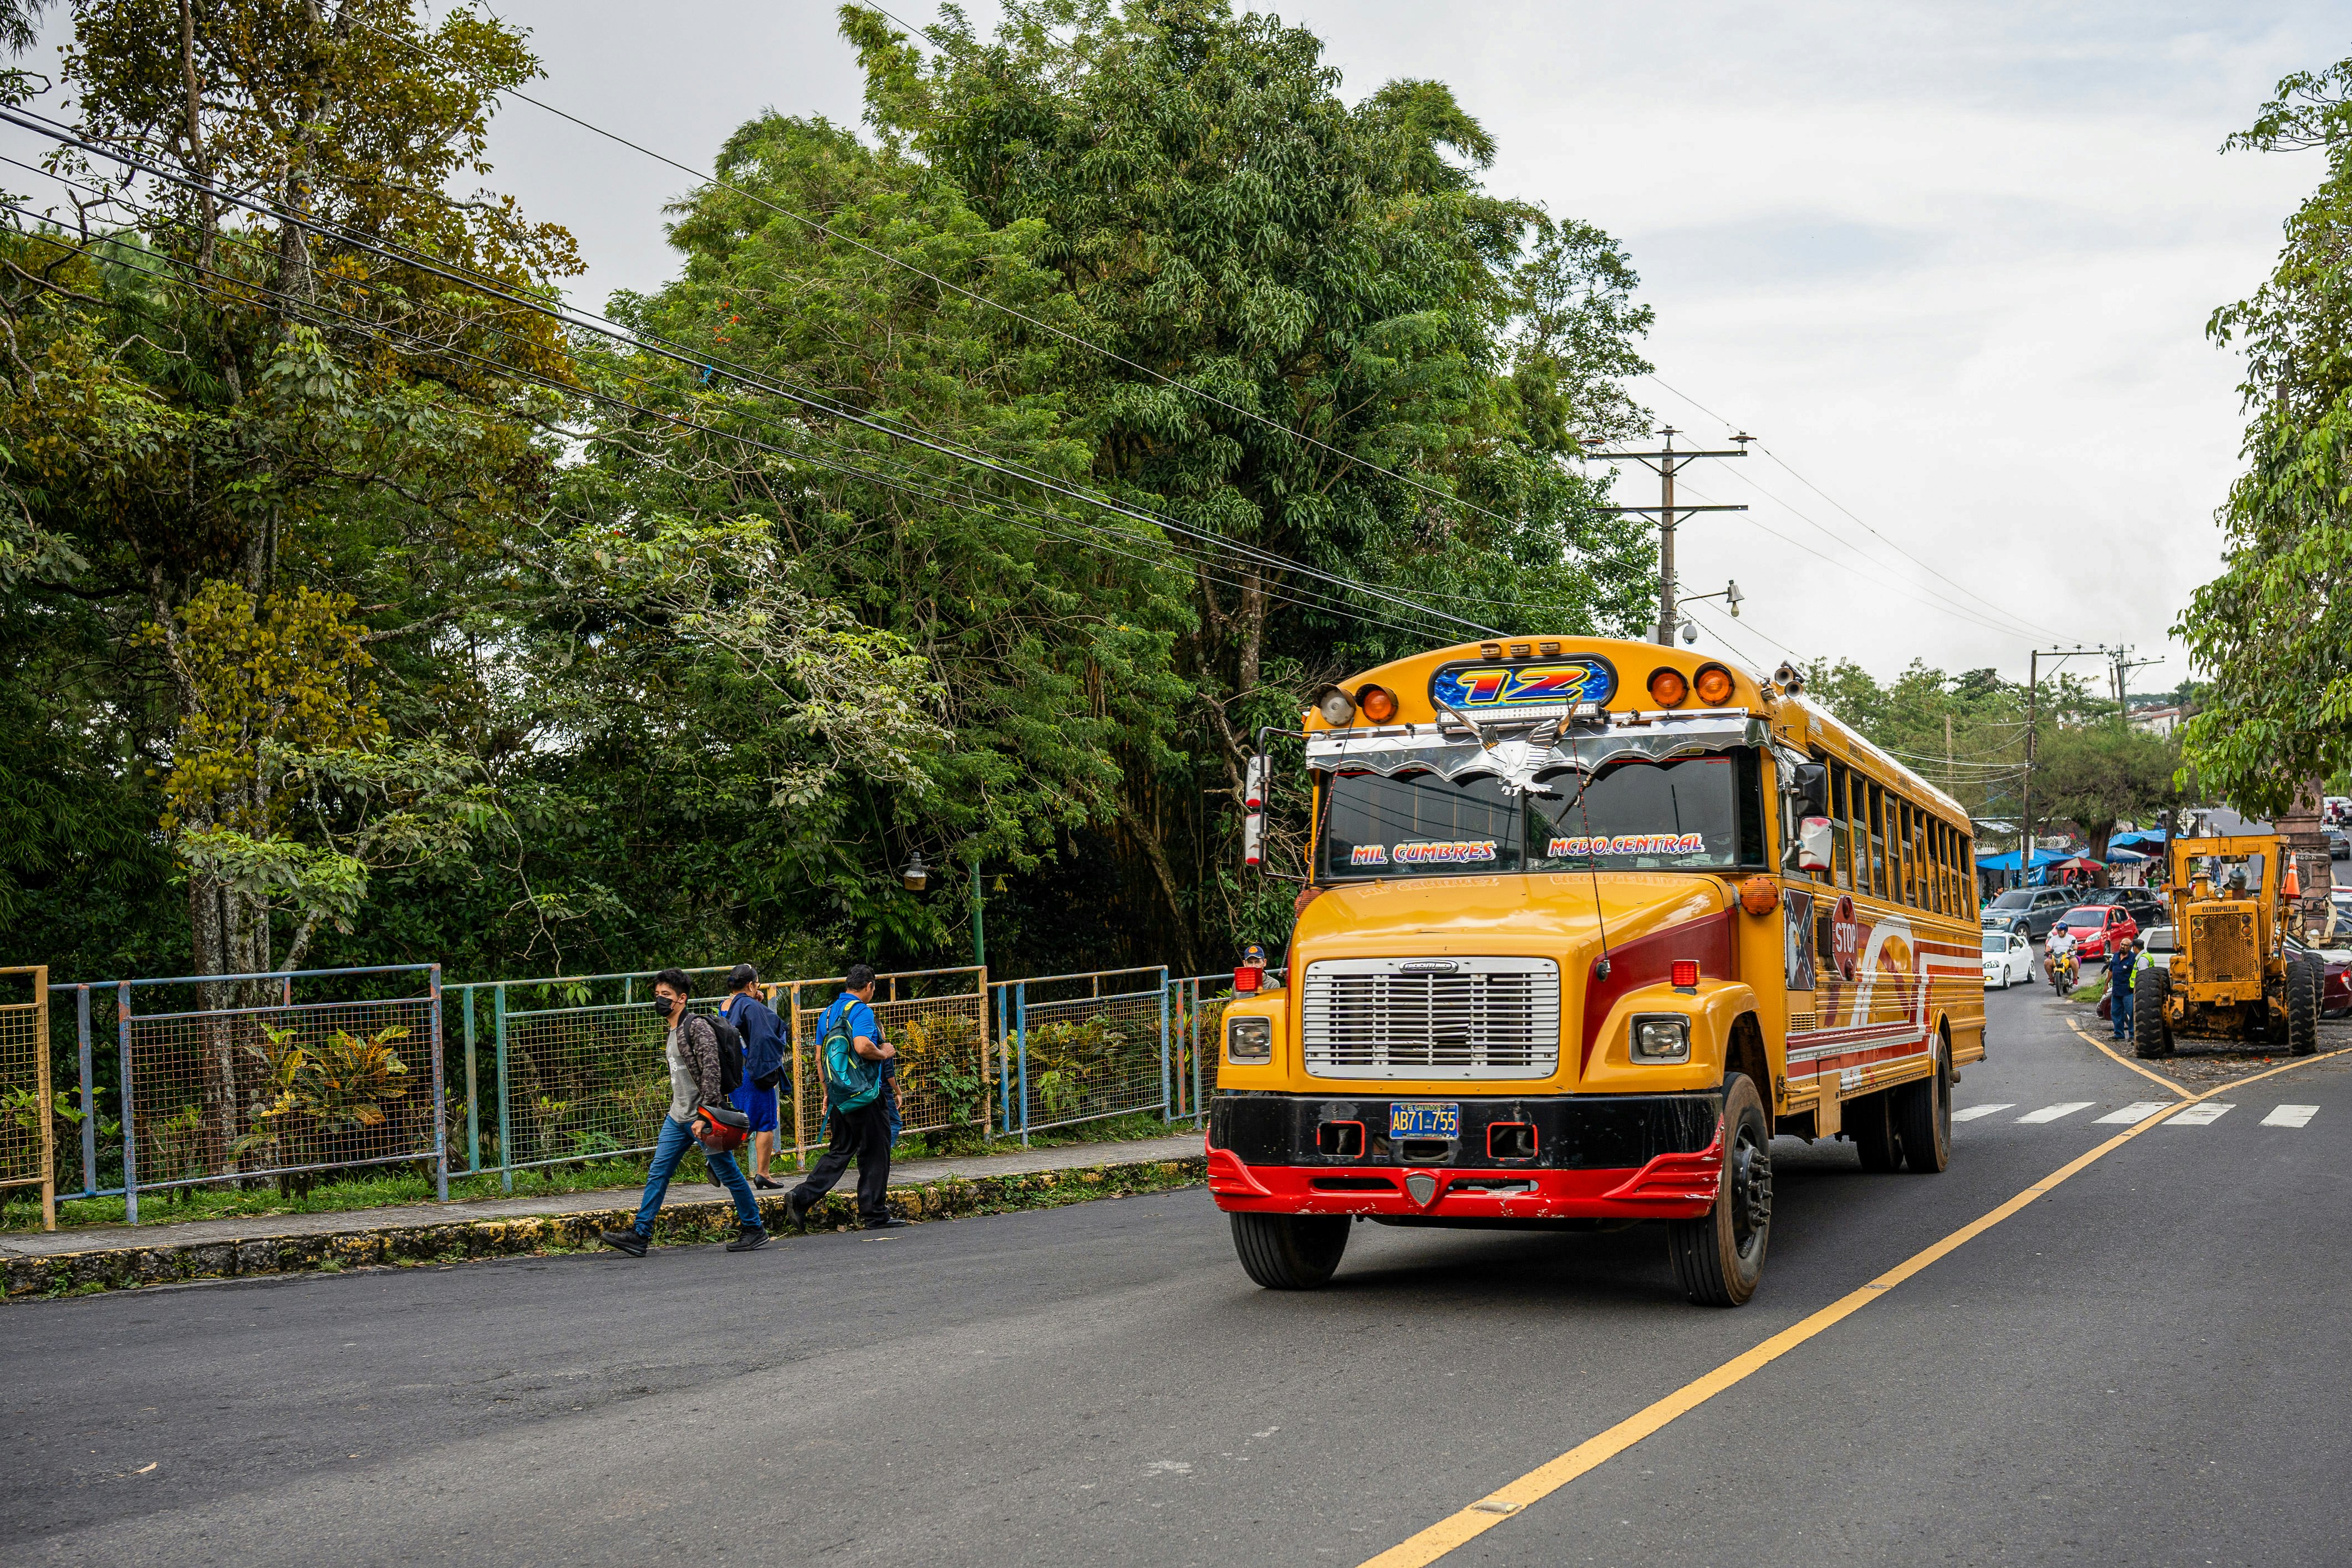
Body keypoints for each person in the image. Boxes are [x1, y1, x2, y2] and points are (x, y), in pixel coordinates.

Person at [600, 969, 769, 1256]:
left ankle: (754, 1229)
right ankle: (641, 1234)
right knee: (658, 1173)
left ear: (682, 998)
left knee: (728, 1174)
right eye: (657, 995)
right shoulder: (671, 1030)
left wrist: (706, 1115)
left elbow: (712, 1070)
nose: (660, 1000)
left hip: (702, 1119)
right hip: (678, 1118)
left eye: (666, 995)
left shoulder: (696, 1027)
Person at [785, 964, 907, 1232]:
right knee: (876, 1152)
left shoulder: (828, 1014)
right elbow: (863, 1046)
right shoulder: (861, 1011)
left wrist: (828, 1094)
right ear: (869, 986)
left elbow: (819, 1057)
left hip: (840, 1095)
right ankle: (875, 1214)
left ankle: (801, 1197)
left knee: (840, 1151)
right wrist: (885, 1053)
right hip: (865, 1095)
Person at [721, 963, 787, 1189]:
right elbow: (767, 1031)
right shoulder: (750, 1006)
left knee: (742, 1121)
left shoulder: (726, 1005)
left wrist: (753, 1001)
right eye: (757, 983)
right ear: (751, 984)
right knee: (766, 1123)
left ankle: (720, 1158)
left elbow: (743, 1027)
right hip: (754, 1071)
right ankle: (763, 1173)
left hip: (735, 1074)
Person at [2107, 938, 2137, 1040]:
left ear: (2130, 948)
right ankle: (2119, 1035)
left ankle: (2133, 1035)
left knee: (2131, 1013)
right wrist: (2106, 984)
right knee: (2116, 1013)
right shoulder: (2116, 956)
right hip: (2116, 991)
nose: (2122, 946)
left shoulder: (2133, 958)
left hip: (2127, 992)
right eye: (2122, 944)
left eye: (2125, 945)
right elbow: (2111, 971)